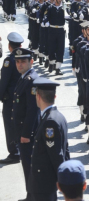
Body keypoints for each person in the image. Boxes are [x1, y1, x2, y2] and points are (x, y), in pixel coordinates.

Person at [29, 76, 70, 201]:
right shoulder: (58, 116)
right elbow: (65, 150)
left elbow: (56, 154)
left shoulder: (50, 122)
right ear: (54, 97)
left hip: (43, 183)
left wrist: (63, 180)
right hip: (47, 182)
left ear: (38, 97)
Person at [12, 47, 40, 201]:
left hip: (27, 133)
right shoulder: (24, 77)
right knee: (27, 166)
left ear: (31, 61)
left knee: (30, 166)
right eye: (17, 61)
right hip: (23, 131)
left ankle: (33, 196)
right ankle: (30, 195)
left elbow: (32, 110)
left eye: (23, 61)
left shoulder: (31, 81)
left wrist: (25, 134)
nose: (20, 64)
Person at [0, 32, 24, 164]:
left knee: (10, 125)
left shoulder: (9, 61)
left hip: (10, 99)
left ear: (9, 46)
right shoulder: (25, 57)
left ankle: (14, 152)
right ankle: (19, 149)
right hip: (22, 97)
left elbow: (4, 81)